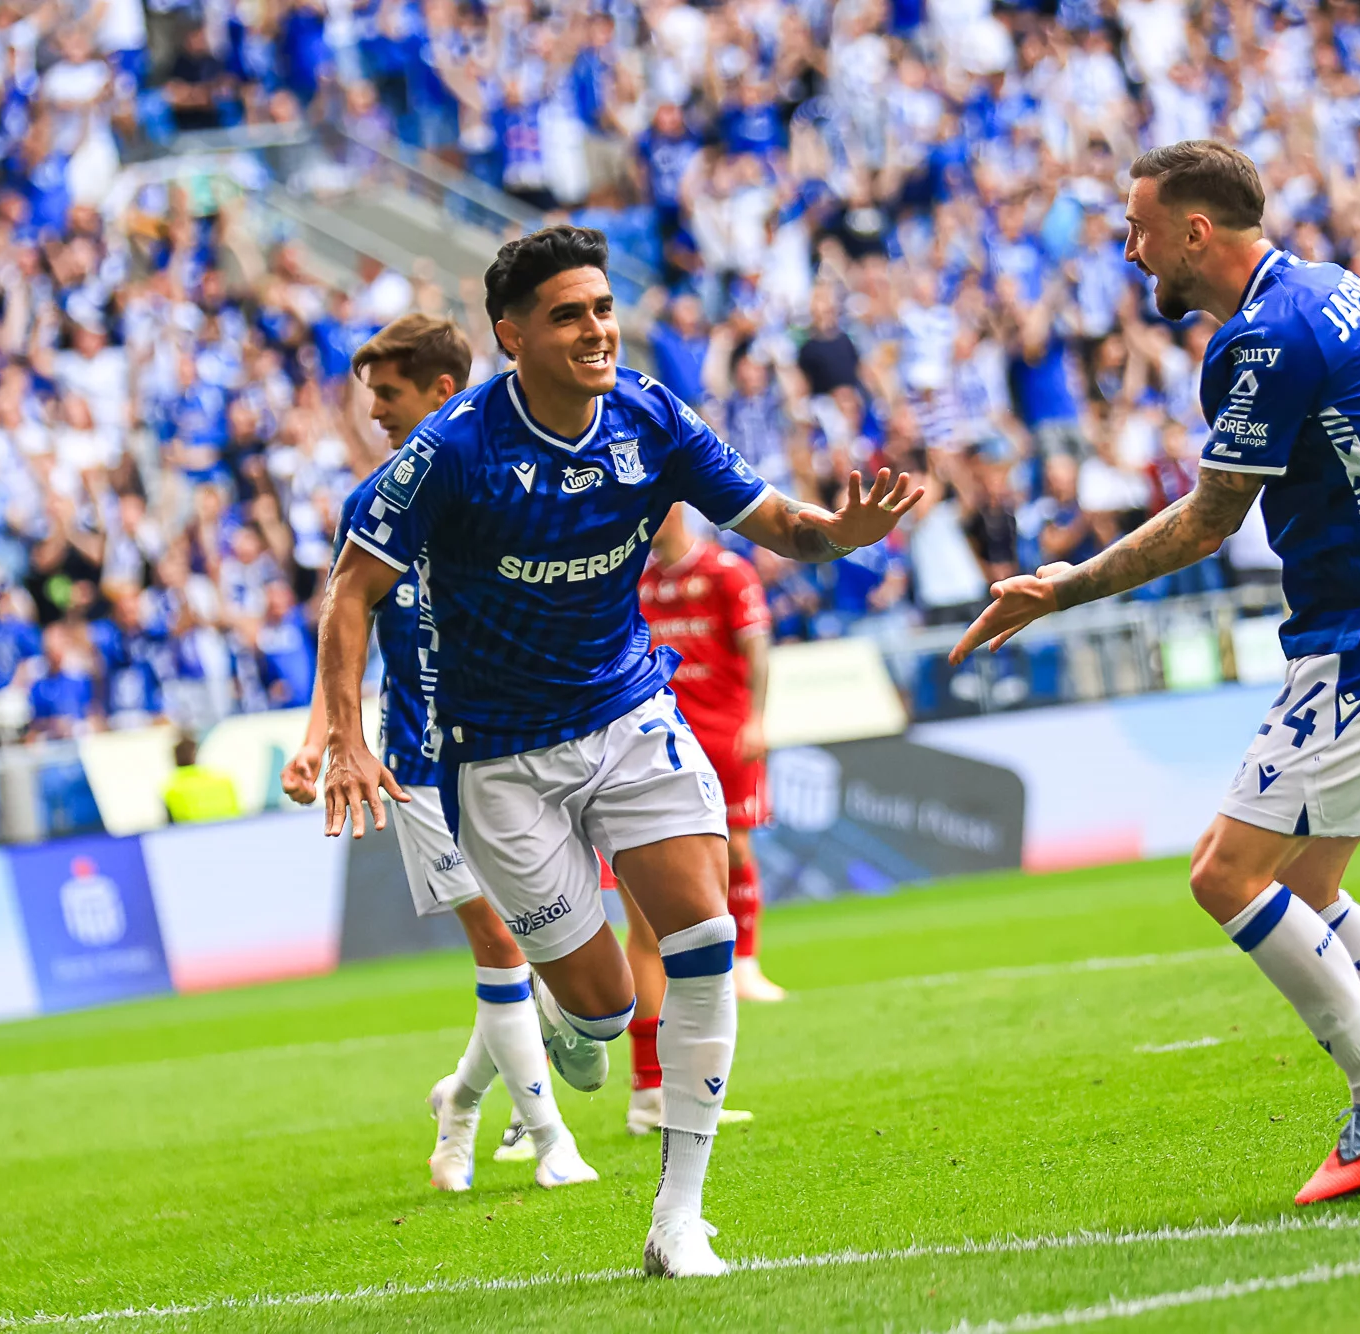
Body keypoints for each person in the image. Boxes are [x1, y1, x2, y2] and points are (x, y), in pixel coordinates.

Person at [317, 226, 919, 1277]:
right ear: (512, 336)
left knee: (702, 939)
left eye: (602, 308)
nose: (597, 329)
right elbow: (350, 591)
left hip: (627, 713)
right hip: (496, 759)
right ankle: (572, 1021)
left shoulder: (649, 415)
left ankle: (678, 1218)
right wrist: (340, 731)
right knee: (600, 1012)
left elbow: (777, 520)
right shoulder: (451, 449)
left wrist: (839, 531)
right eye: (568, 315)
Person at [951, 142, 1360, 1205]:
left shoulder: (1261, 337)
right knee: (1303, 888)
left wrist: (1064, 586)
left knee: (1223, 874)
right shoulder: (1332, 288)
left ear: (1194, 232)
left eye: (1138, 230)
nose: (1128, 251)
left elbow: (1208, 522)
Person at [282, 313, 599, 1194]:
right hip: (420, 764)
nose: (374, 411)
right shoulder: (373, 505)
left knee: (546, 950)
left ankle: (459, 1101)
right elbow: (342, 635)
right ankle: (551, 1142)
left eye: (388, 393)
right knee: (500, 941)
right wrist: (317, 741)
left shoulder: (503, 488)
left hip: (518, 748)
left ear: (442, 391)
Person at [620, 502, 779, 1138]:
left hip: (717, 733)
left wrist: (757, 718)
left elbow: (757, 649)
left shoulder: (726, 571)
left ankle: (748, 965)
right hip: (653, 745)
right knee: (660, 923)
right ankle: (657, 1091)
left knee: (726, 860)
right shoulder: (633, 578)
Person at [162, 733, 241, 824]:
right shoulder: (224, 780)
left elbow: (172, 824)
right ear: (195, 755)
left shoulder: (171, 788)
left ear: (174, 758)